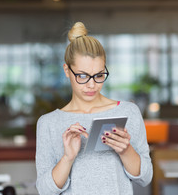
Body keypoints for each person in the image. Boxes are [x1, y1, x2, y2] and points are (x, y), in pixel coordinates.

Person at [35, 22, 153, 194]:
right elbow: (44, 190)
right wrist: (68, 158)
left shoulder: (128, 112)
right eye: (82, 76)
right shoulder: (48, 123)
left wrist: (126, 150)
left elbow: (146, 178)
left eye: (98, 75)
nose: (92, 84)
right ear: (67, 71)